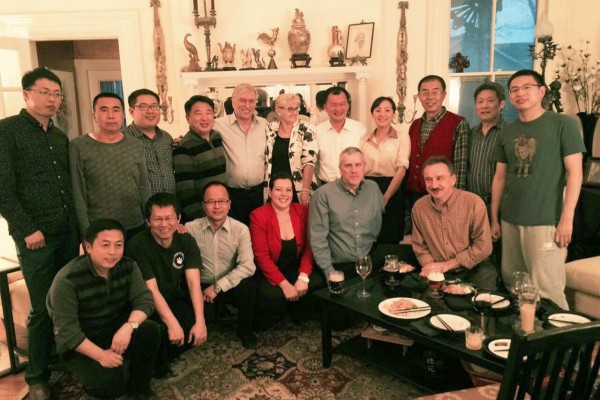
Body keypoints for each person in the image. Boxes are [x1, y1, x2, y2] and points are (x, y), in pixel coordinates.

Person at [0, 67, 80, 400]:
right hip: (36, 238)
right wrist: (26, 228)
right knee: (41, 306)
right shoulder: (7, 131)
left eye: (56, 93)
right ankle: (36, 376)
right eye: (44, 92)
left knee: (65, 300)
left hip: (66, 233)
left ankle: (60, 356)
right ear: (26, 94)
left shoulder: (60, 137)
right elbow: (3, 188)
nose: (52, 99)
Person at [491, 69, 585, 309]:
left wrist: (567, 218)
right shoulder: (507, 131)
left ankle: (558, 345)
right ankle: (523, 339)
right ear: (510, 97)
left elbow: (575, 173)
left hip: (545, 220)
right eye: (514, 89)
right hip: (510, 219)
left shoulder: (563, 124)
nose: (520, 93)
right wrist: (494, 218)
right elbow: (500, 177)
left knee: (549, 291)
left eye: (526, 87)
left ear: (542, 91)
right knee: (514, 285)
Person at [46, 219, 160, 399]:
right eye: (105, 245)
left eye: (118, 245)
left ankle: (139, 390)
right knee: (110, 386)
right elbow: (67, 334)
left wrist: (128, 327)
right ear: (88, 247)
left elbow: (145, 300)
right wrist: (101, 356)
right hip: (82, 344)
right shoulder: (66, 280)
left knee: (150, 329)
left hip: (114, 331)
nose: (112, 252)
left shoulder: (129, 266)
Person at [127, 193, 207, 378]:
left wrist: (200, 321)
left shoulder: (185, 240)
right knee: (158, 331)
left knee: (201, 317)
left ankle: (164, 351)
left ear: (178, 218)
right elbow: (151, 290)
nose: (164, 224)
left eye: (169, 218)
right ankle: (156, 361)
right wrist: (172, 324)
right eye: (158, 219)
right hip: (146, 303)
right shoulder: (137, 245)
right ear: (148, 221)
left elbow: (193, 282)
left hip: (172, 297)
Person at [185, 182, 258, 349]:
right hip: (201, 287)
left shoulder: (241, 230)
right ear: (203, 206)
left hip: (228, 285)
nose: (217, 206)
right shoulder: (190, 229)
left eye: (222, 201)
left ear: (229, 204)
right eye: (211, 202)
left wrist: (218, 287)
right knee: (197, 324)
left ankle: (244, 329)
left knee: (249, 284)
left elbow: (248, 266)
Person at [70, 92, 151, 242]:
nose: (110, 115)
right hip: (99, 229)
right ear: (94, 115)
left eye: (116, 110)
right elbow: (78, 193)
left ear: (123, 114)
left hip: (135, 225)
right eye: (103, 110)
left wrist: (149, 218)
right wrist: (85, 232)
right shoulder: (78, 146)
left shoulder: (136, 145)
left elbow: (144, 186)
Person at [249, 172, 324, 325]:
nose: (284, 194)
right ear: (269, 192)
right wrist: (284, 285)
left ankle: (299, 313)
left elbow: (310, 247)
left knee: (317, 282)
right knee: (270, 296)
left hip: (295, 268)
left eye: (288, 190)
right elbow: (261, 257)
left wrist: (303, 277)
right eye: (278, 190)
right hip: (271, 271)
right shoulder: (258, 216)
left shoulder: (303, 211)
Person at [412, 156, 496, 290]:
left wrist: (448, 264)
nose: (434, 185)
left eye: (440, 178)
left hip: (474, 268)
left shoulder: (474, 203)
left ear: (453, 179)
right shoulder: (419, 207)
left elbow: (484, 247)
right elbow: (419, 246)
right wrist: (432, 267)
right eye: (429, 180)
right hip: (438, 270)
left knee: (484, 288)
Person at [309, 147, 384, 278]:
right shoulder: (323, 194)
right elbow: (317, 238)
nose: (354, 170)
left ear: (364, 167)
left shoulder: (373, 188)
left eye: (358, 165)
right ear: (340, 168)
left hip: (368, 263)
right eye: (348, 165)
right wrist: (330, 273)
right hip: (338, 267)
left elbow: (378, 225)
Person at [406, 75, 469, 207]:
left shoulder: (458, 123)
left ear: (444, 95)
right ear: (419, 96)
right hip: (414, 195)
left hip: (443, 197)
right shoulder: (415, 125)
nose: (430, 97)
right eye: (425, 92)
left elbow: (460, 167)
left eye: (435, 92)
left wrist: (456, 201)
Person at [467, 82, 508, 270]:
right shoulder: (471, 133)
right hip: (474, 204)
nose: (484, 106)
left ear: (501, 104)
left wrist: (494, 219)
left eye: (490, 101)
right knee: (476, 257)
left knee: (501, 257)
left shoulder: (509, 131)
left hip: (499, 205)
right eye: (480, 101)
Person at [214, 83, 268, 225]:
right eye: (242, 100)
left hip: (259, 193)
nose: (247, 105)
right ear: (233, 101)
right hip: (232, 195)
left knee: (258, 234)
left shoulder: (265, 125)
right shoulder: (218, 125)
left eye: (251, 101)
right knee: (234, 236)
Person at [361, 97, 410, 243]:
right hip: (367, 188)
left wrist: (386, 197)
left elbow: (401, 170)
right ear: (372, 114)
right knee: (369, 234)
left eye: (387, 110)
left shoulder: (402, 137)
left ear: (393, 114)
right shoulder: (364, 139)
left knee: (390, 234)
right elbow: (360, 169)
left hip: (393, 188)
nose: (382, 114)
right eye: (378, 110)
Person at [173, 95, 227, 223]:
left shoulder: (217, 137)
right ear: (188, 118)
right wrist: (202, 221)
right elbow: (186, 192)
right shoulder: (184, 148)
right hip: (203, 217)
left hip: (221, 211)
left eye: (209, 113)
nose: (204, 118)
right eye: (198, 113)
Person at [264, 93, 318, 205]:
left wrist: (305, 190)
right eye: (290, 109)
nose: (295, 112)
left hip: (298, 188)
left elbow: (309, 161)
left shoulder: (306, 128)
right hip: (275, 188)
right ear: (278, 110)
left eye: (297, 108)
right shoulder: (270, 128)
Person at [123, 88, 176, 195]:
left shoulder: (166, 137)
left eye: (155, 106)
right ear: (131, 111)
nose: (150, 111)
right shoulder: (123, 139)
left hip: (170, 205)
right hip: (139, 207)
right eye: (143, 106)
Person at [314, 86, 366, 185]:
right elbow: (314, 165)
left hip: (355, 187)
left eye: (342, 104)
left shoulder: (360, 129)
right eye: (333, 105)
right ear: (325, 107)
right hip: (326, 187)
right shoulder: (317, 132)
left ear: (348, 105)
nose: (338, 109)